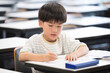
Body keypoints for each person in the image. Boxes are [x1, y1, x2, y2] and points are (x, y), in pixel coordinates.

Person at [19, 2, 89, 73]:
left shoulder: (63, 38)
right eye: (50, 25)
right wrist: (43, 57)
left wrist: (75, 54)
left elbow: (84, 48)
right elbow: (22, 56)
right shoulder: (35, 40)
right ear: (40, 23)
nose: (54, 30)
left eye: (59, 26)